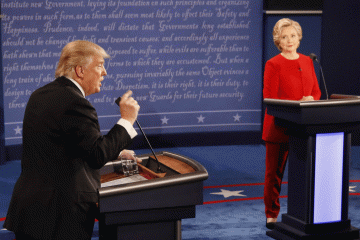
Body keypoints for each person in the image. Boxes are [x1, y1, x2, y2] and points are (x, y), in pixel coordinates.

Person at [4, 40, 140, 240]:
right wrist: (127, 120)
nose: (105, 73)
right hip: (59, 217)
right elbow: (96, 155)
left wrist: (118, 152)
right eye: (100, 65)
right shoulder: (76, 102)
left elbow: (62, 145)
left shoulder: (40, 95)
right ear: (80, 70)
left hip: (30, 210)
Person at [262, 18, 321, 229]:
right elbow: (269, 97)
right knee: (274, 176)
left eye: (293, 36)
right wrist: (297, 103)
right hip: (279, 128)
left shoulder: (307, 61)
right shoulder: (273, 64)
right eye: (284, 37)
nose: (289, 40)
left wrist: (312, 99)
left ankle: (301, 212)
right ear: (278, 40)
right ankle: (271, 213)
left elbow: (316, 91)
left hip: (303, 128)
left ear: (299, 38)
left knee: (302, 174)